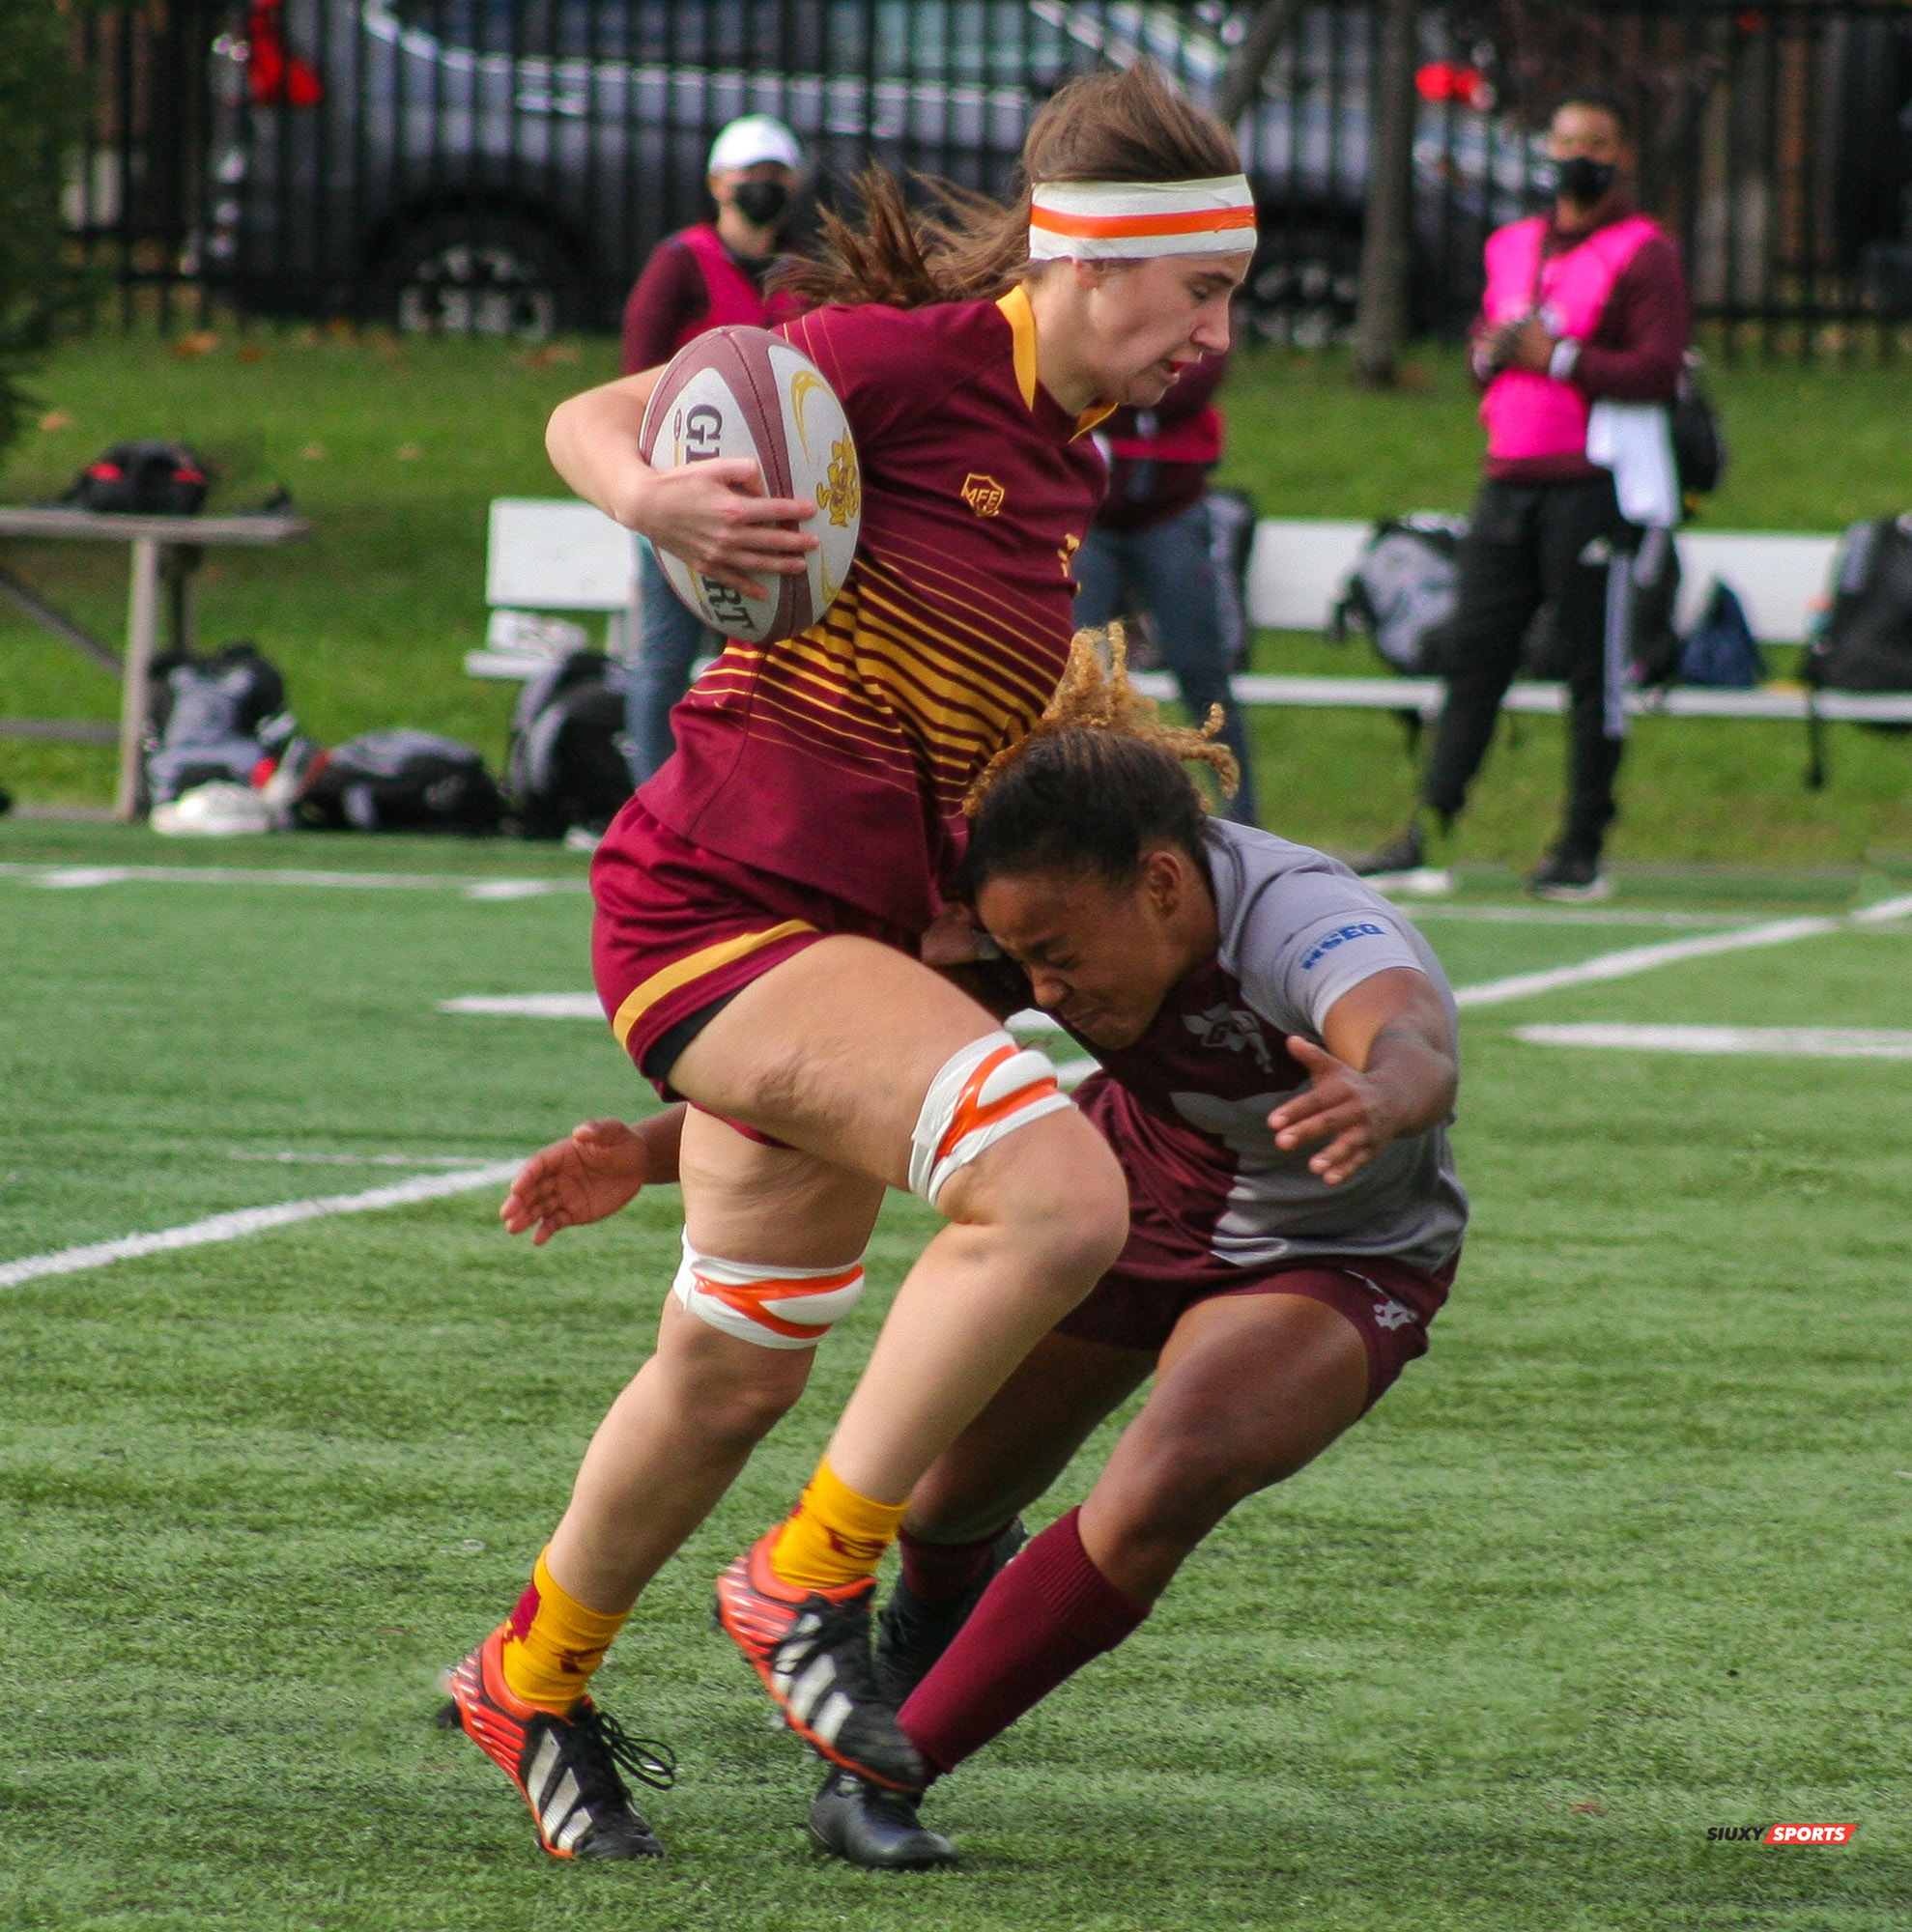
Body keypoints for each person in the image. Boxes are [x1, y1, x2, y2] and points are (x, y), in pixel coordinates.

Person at [435, 65, 1258, 1862]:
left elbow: (929, 749)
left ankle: (528, 1677)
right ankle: (807, 1575)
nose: (1214, 333)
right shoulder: (899, 359)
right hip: (715, 901)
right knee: (1056, 1196)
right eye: (1198, 290)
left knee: (729, 1368)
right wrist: (653, 504)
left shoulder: (1069, 463)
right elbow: (593, 412)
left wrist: (662, 1136)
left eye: (1227, 297)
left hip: (840, 944)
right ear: (1088, 259)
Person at [499, 639, 1467, 1869]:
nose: (1041, 987)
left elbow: (1410, 1030)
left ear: (1162, 883)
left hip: (1333, 1245)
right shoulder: (1042, 909)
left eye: (1057, 955)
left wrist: (1382, 1092)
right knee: (946, 1503)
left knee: (1172, 1470)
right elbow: (858, 1079)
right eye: (1026, 961)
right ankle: (909, 1653)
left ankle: (879, 1775)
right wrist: (644, 1152)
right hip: (1132, 1190)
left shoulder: (1300, 915)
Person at [1357, 91, 1690, 902]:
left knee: (1591, 668)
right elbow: (1492, 350)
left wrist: (1560, 357)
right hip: (1507, 477)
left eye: (1595, 142)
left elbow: (1657, 371)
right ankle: (1429, 831)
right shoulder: (1511, 244)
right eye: (1565, 140)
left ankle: (1580, 846)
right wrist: (1491, 355)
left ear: (1621, 157)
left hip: (1593, 484)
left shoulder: (1644, 252)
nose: (1577, 156)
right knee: (1473, 657)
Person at [618, 115, 809, 785]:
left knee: (761, 660)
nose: (762, 186)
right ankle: (652, 792)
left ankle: (743, 793)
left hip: (770, 493)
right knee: (666, 655)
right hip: (684, 486)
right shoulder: (681, 261)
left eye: (775, 175)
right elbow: (637, 366)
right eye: (750, 174)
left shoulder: (802, 269)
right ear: (718, 183)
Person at [1076, 351, 1260, 824]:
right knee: (1075, 673)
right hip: (1089, 511)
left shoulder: (1196, 310)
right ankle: (1072, 814)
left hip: (1172, 508)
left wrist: (1114, 386)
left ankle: (1244, 822)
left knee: (1203, 673)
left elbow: (1194, 382)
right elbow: (1070, 372)